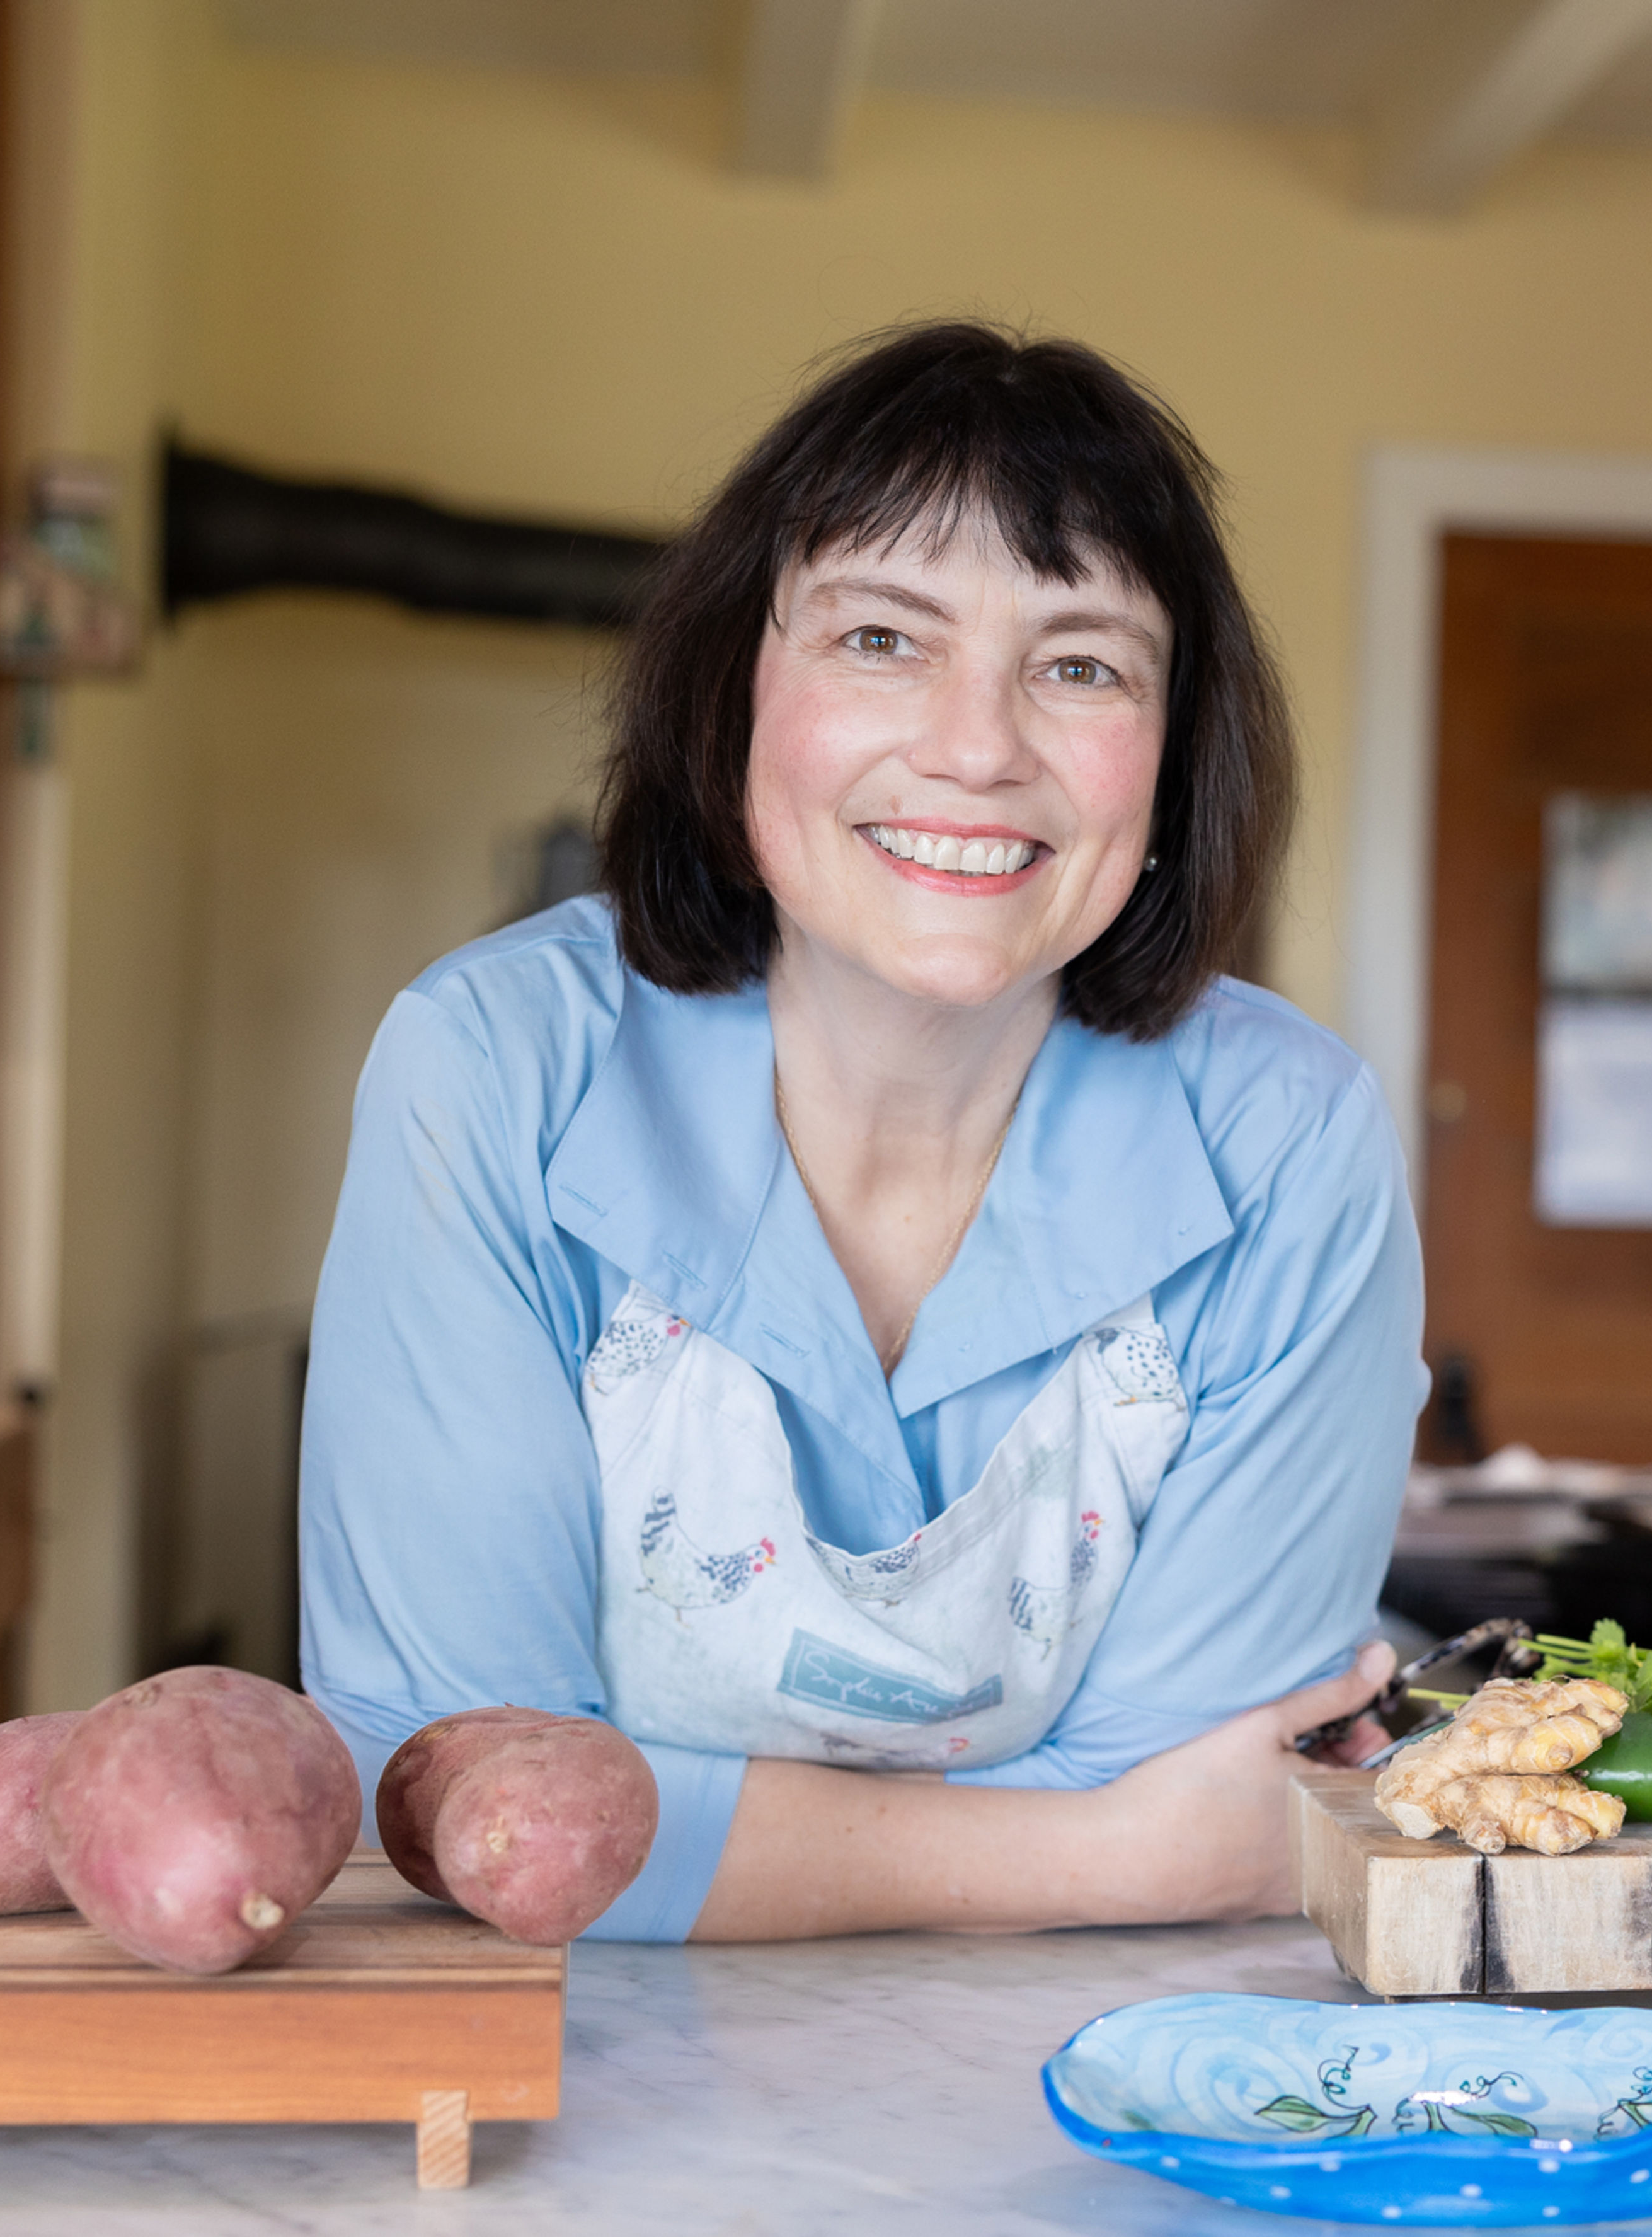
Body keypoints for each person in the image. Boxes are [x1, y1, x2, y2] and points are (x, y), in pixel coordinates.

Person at [298, 325, 1421, 1942]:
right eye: (884, 636)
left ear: (1174, 763)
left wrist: (665, 1821)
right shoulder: (491, 1067)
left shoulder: (1289, 1142)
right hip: (565, 2104)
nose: (977, 745)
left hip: (1106, 2096)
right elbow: (472, 1801)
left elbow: (1216, 1781)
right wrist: (1114, 1853)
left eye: (1081, 661)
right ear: (732, 691)